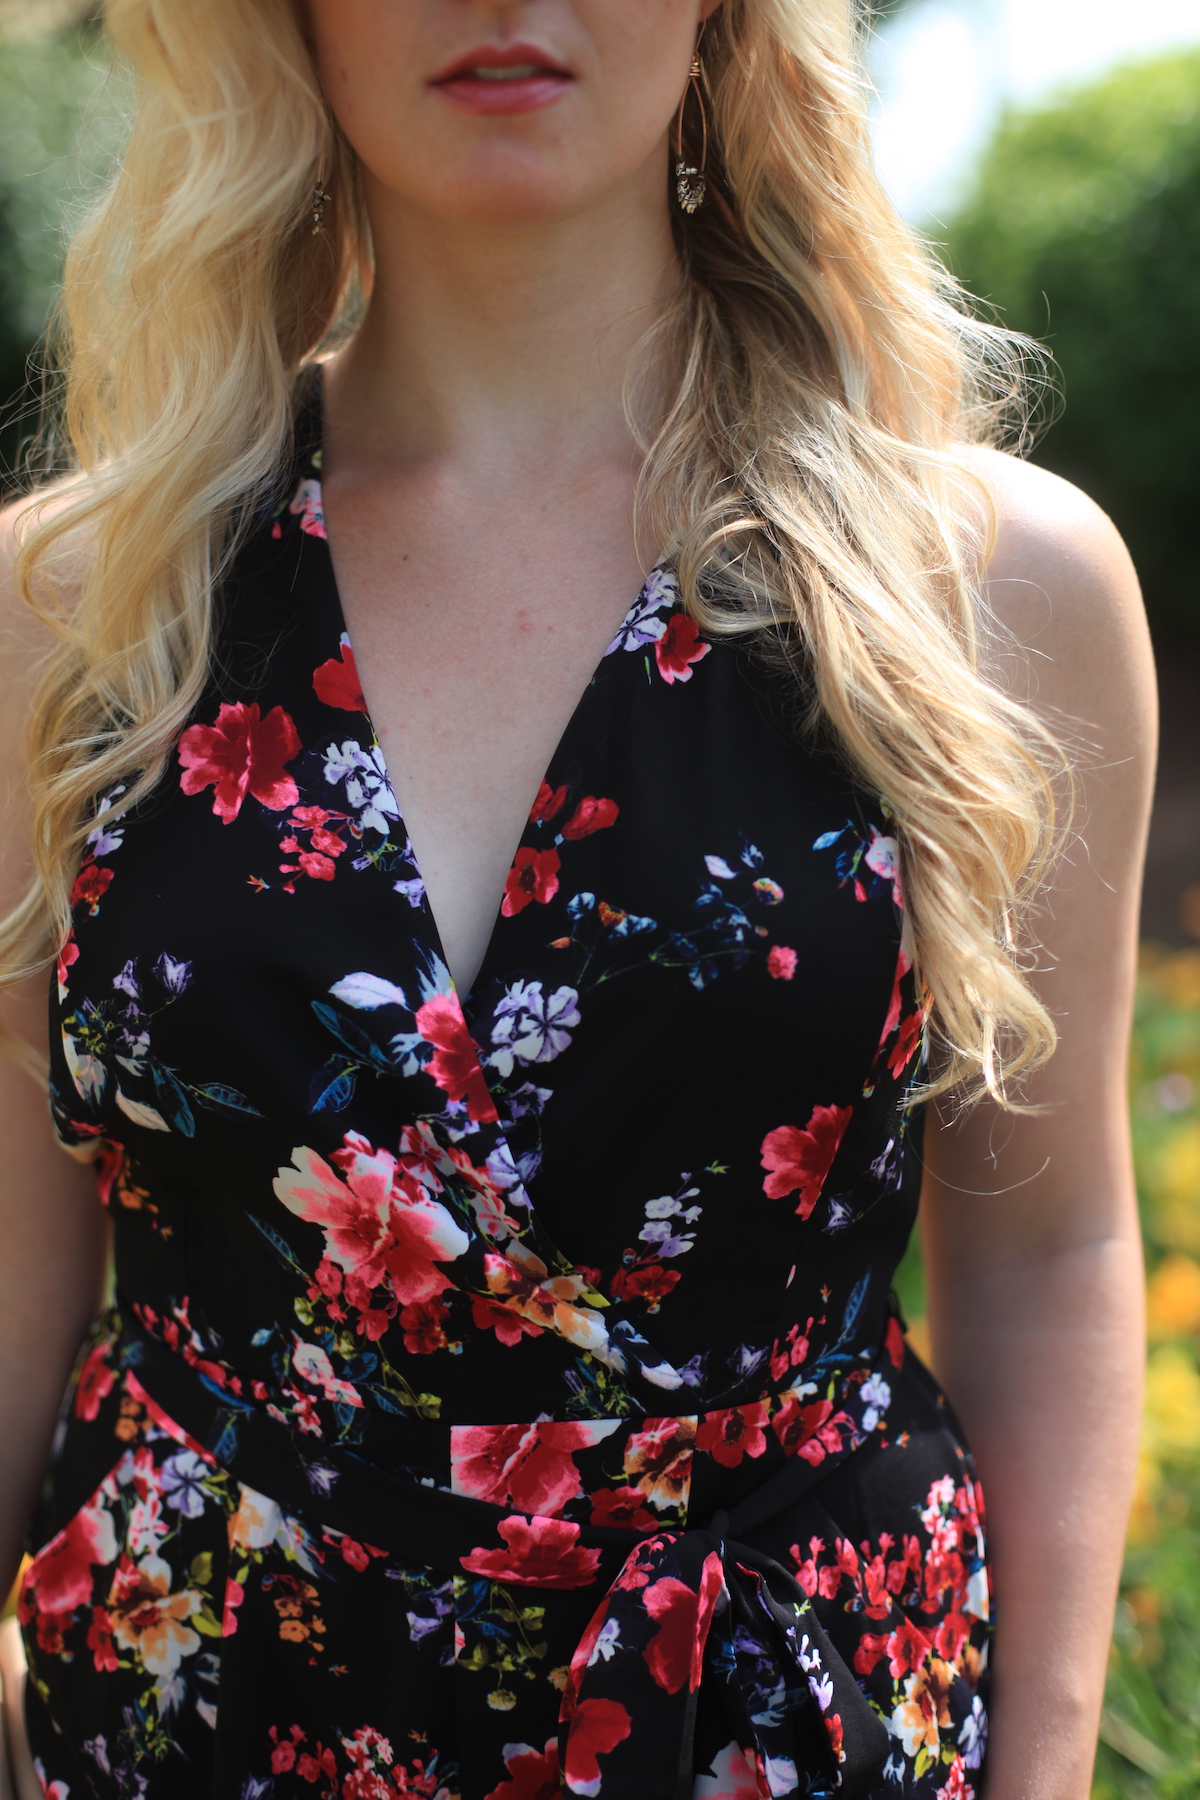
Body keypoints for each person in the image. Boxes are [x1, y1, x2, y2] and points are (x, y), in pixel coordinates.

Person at [0, 2, 1153, 1796]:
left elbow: (1049, 1252)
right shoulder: (79, 608)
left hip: (783, 1725)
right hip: (199, 1721)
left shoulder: (990, 594)